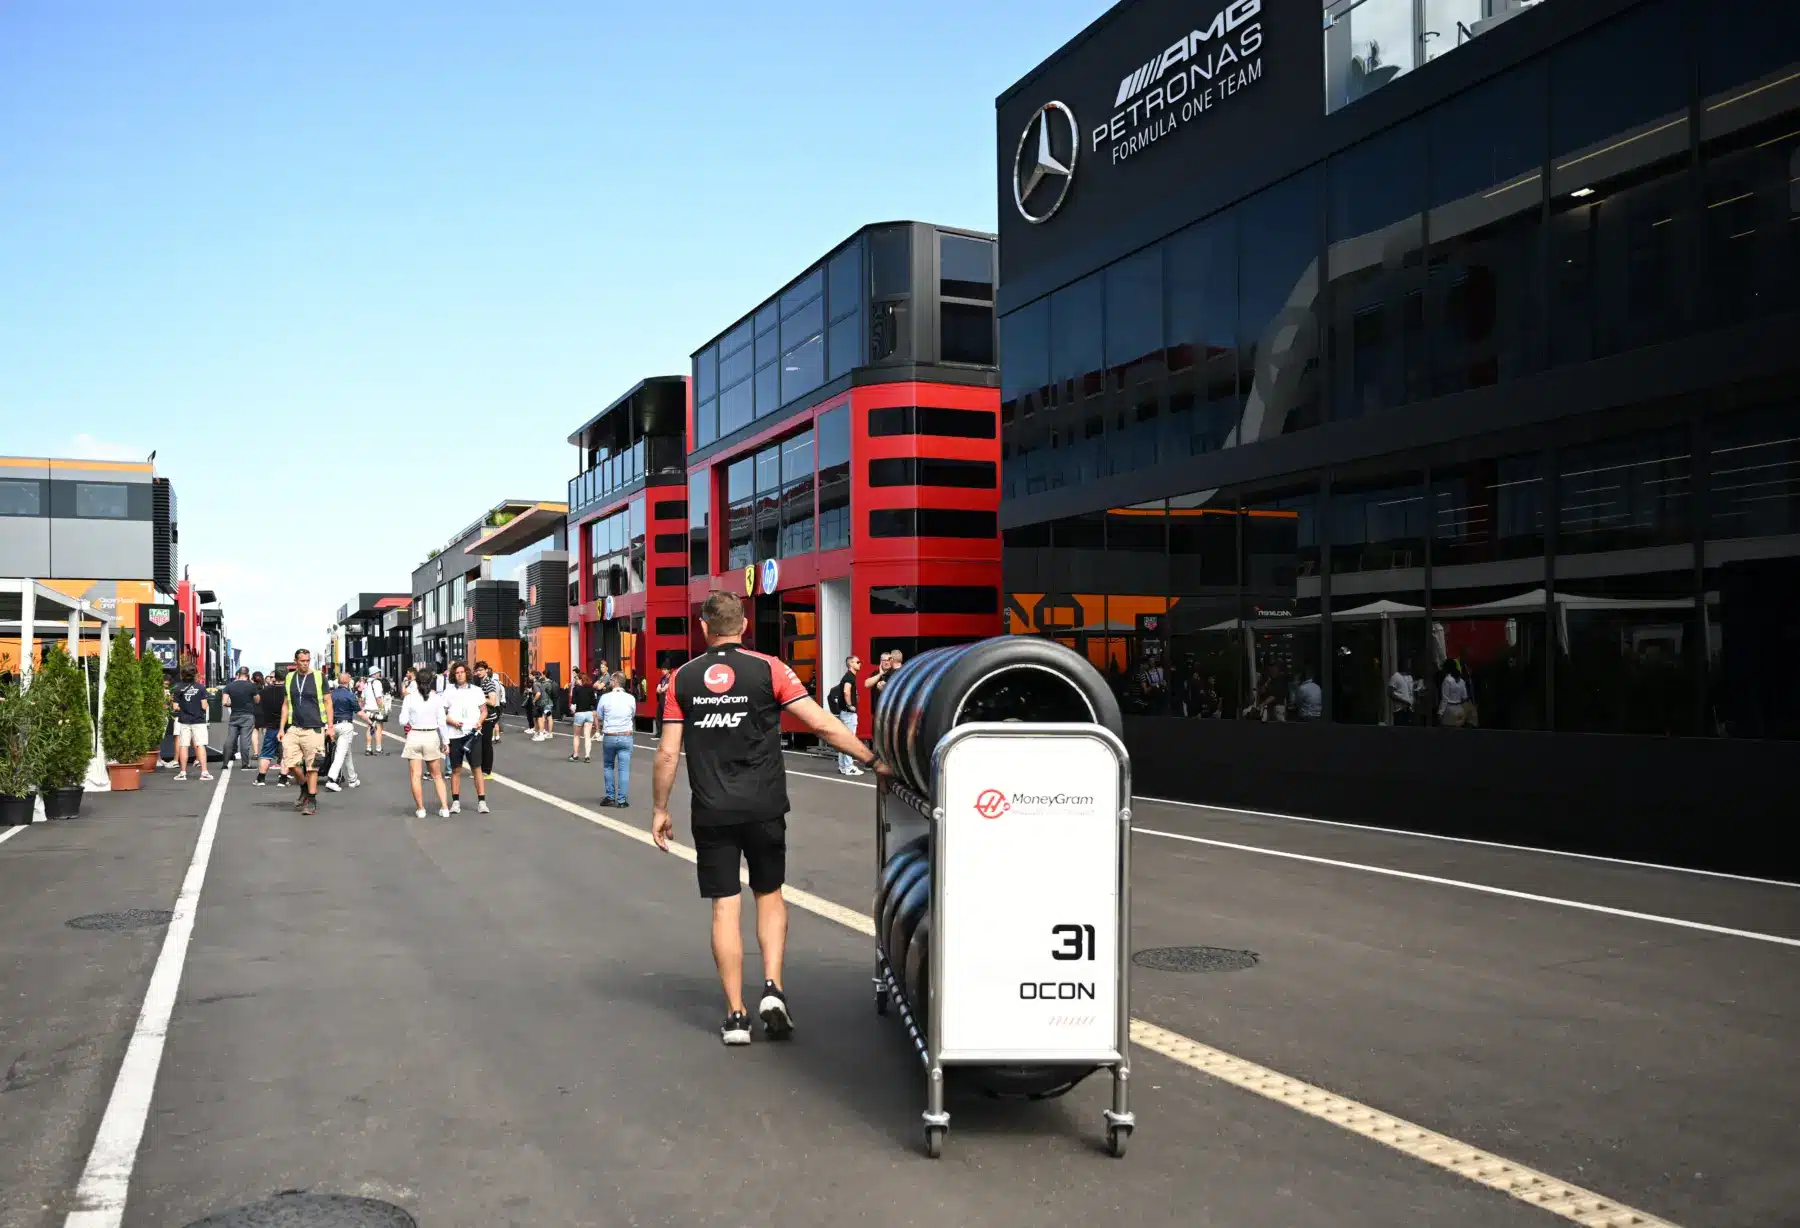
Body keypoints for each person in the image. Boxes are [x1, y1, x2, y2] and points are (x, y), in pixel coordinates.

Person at [652, 591, 886, 1046]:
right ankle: (773, 989)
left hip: (712, 810)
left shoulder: (682, 678)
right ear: (743, 626)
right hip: (764, 806)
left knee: (725, 905)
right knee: (769, 894)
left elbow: (666, 754)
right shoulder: (771, 668)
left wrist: (660, 809)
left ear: (704, 628)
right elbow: (821, 723)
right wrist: (871, 759)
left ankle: (736, 1015)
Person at [280, 648, 331, 815]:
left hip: (314, 727)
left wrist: (330, 727)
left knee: (312, 766)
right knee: (290, 763)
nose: (305, 664)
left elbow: (328, 702)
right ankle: (304, 787)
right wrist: (281, 728)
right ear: (295, 661)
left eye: (307, 661)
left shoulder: (318, 676)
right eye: (302, 661)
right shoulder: (290, 677)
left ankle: (311, 800)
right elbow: (286, 704)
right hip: (294, 727)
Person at [400, 667, 451, 818]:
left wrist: (413, 718)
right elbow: (442, 722)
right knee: (437, 776)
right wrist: (446, 742)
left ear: (416, 681)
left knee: (415, 776)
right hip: (431, 736)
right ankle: (445, 808)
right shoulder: (436, 698)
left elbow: (402, 720)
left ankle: (421, 809)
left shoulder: (409, 698)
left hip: (414, 735)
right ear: (431, 681)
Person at [441, 662, 488, 814]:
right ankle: (455, 802)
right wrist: (452, 722)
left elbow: (484, 711)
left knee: (476, 768)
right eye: (457, 673)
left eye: (462, 672)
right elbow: (442, 713)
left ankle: (482, 802)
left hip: (472, 734)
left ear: (467, 673)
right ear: (453, 675)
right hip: (454, 734)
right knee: (456, 769)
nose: (460, 674)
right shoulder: (448, 692)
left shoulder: (477, 691)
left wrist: (479, 722)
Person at [598, 671, 637, 805]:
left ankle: (610, 797)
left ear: (614, 682)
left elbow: (600, 715)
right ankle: (622, 800)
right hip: (626, 735)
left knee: (608, 766)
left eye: (610, 681)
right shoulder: (630, 698)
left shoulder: (605, 697)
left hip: (610, 735)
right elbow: (632, 714)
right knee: (624, 769)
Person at [169, 663, 212, 781]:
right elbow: (204, 706)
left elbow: (175, 707)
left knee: (184, 745)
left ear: (182, 675)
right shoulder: (201, 688)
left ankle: (182, 772)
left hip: (184, 720)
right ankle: (204, 772)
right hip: (198, 720)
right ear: (195, 674)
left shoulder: (178, 688)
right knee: (200, 744)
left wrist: (184, 708)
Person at [323, 672, 363, 792]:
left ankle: (352, 779)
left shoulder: (331, 694)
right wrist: (370, 722)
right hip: (345, 726)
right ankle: (331, 779)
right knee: (340, 754)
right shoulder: (350, 695)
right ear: (348, 681)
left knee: (346, 753)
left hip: (332, 726)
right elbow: (359, 712)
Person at [829, 654, 863, 776]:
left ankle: (843, 766)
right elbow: (846, 691)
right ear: (851, 664)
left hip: (844, 713)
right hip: (848, 714)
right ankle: (849, 767)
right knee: (849, 740)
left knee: (844, 740)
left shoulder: (848, 676)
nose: (860, 664)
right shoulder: (850, 677)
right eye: (857, 662)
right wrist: (850, 705)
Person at [473, 659, 503, 794]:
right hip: (482, 718)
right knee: (481, 744)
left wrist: (479, 698)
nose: (479, 672)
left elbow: (492, 701)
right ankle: (482, 770)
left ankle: (487, 771)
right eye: (477, 670)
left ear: (486, 670)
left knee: (486, 744)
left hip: (488, 718)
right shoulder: (480, 682)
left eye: (481, 670)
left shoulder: (489, 683)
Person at [222, 666, 257, 770]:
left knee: (230, 739)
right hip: (247, 715)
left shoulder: (229, 686)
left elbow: (224, 702)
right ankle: (245, 764)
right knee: (245, 740)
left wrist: (232, 704)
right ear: (248, 675)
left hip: (234, 715)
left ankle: (225, 764)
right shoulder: (251, 686)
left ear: (237, 674)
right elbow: (257, 700)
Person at [256, 669, 287, 786]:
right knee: (287, 754)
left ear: (275, 678)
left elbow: (259, 704)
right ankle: (283, 779)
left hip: (271, 725)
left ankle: (261, 779)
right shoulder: (289, 690)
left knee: (266, 753)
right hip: (288, 726)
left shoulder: (265, 691)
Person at [567, 669, 599, 762]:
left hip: (579, 713)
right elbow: (594, 702)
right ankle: (587, 756)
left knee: (576, 735)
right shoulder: (590, 688)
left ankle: (575, 755)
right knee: (587, 736)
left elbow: (573, 701)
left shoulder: (576, 688)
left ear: (581, 679)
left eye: (577, 679)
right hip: (589, 713)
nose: (576, 680)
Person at [361, 668, 388, 754]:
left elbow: (362, 698)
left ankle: (368, 748)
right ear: (374, 674)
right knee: (379, 728)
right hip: (376, 709)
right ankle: (378, 748)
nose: (379, 674)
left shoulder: (366, 684)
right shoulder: (377, 683)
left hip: (367, 709)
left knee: (370, 727)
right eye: (378, 672)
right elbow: (379, 698)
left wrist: (362, 708)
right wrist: (382, 710)